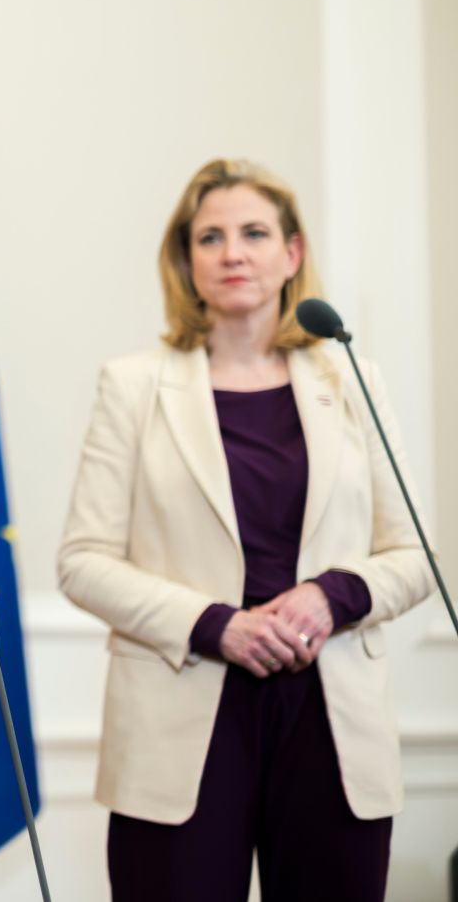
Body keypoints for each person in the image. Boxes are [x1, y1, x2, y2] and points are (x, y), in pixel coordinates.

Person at [57, 158, 434, 901]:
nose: (233, 252)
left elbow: (415, 553)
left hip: (330, 715)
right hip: (184, 709)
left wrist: (333, 594)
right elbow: (83, 560)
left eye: (255, 233)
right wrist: (213, 623)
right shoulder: (132, 384)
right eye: (211, 237)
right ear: (186, 261)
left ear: (292, 254)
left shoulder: (350, 377)